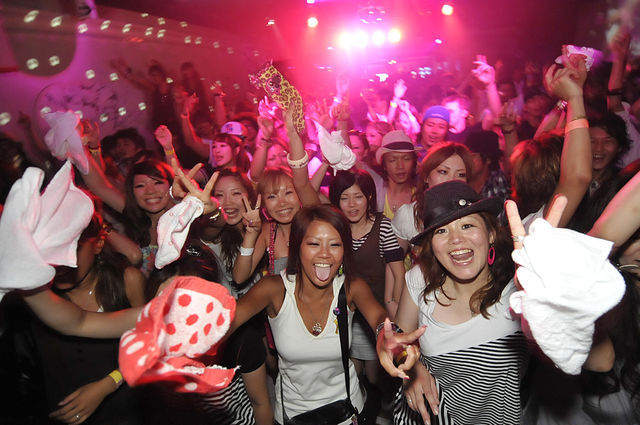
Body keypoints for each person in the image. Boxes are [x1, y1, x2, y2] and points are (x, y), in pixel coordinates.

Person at [377, 182, 616, 425]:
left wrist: (557, 303)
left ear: (490, 234)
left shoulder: (520, 289)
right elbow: (398, 339)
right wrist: (410, 368)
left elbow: (603, 361)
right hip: (427, 417)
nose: (456, 239)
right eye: (441, 231)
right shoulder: (420, 279)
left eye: (467, 226)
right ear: (431, 245)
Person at [229, 205, 391, 425]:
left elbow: (379, 317)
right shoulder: (274, 289)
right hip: (293, 415)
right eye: (314, 244)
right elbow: (226, 320)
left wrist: (389, 335)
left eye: (335, 244)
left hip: (347, 412)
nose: (324, 253)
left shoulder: (352, 287)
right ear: (297, 247)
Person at [392, 142, 474, 253]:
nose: (452, 180)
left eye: (461, 175)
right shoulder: (408, 215)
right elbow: (393, 260)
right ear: (426, 176)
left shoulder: (475, 214)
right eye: (443, 172)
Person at [375, 130, 417, 219]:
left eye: (406, 159)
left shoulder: (420, 197)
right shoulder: (376, 195)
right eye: (392, 160)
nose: (400, 166)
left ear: (413, 162)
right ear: (384, 165)